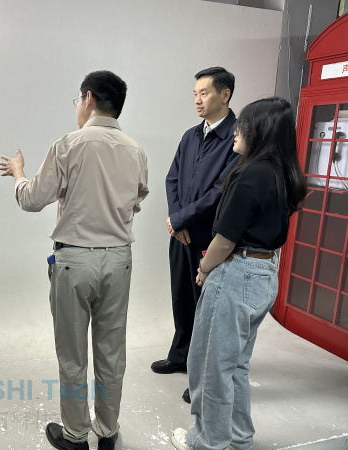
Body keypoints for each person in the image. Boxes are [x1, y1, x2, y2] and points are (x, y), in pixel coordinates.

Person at [0, 71, 148, 450]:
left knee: (73, 355)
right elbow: (136, 200)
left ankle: (76, 436)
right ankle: (107, 433)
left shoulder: (69, 144)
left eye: (78, 100)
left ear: (88, 98)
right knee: (111, 352)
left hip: (75, 261)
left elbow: (32, 199)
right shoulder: (135, 150)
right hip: (119, 260)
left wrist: (18, 173)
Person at [171, 97, 307, 450]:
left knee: (211, 367)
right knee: (235, 366)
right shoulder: (283, 173)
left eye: (242, 125)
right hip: (265, 273)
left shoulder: (248, 175)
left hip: (236, 274)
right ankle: (239, 439)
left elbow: (224, 241)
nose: (235, 131)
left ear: (259, 131)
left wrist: (204, 269)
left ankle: (207, 442)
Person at [154, 67, 240, 404]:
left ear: (225, 95)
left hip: (210, 239)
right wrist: (177, 221)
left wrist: (182, 219)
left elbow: (222, 190)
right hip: (181, 234)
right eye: (195, 94)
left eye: (204, 93)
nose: (197, 100)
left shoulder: (237, 137)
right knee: (181, 296)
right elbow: (172, 178)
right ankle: (180, 355)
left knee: (209, 309)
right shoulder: (191, 135)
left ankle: (204, 375)